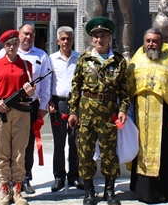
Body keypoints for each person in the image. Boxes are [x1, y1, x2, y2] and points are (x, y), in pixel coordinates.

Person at [68, 16, 130, 205]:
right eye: (95, 36)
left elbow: (125, 90)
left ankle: (110, 192)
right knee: (85, 153)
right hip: (86, 113)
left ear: (109, 37)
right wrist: (72, 111)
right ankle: (89, 192)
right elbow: (76, 87)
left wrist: (123, 109)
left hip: (109, 113)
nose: (99, 40)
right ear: (91, 39)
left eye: (102, 36)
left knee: (109, 153)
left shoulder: (118, 61)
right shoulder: (84, 60)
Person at [127, 28, 168, 204]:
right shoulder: (136, 60)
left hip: (164, 115)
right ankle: (141, 190)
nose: (151, 44)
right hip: (140, 114)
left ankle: (163, 192)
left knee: (164, 150)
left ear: (162, 42)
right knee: (141, 148)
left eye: (155, 41)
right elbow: (128, 86)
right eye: (148, 40)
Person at [0, 30, 36, 205]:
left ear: (19, 45)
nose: (12, 47)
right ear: (4, 46)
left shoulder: (26, 65)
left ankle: (17, 190)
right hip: (2, 112)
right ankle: (5, 189)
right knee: (2, 152)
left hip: (21, 113)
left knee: (19, 152)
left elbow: (31, 91)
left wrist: (31, 92)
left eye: (14, 44)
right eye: (8, 45)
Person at [0, 24, 52, 194]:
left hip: (30, 105)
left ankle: (25, 178)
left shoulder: (41, 55)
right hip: (7, 104)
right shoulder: (3, 53)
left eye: (32, 34)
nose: (28, 37)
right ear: (19, 34)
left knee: (27, 144)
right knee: (7, 143)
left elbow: (46, 84)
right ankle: (8, 180)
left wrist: (43, 107)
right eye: (25, 34)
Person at [48, 26, 85, 192]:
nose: (65, 42)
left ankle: (74, 176)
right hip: (58, 104)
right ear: (57, 41)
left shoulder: (80, 58)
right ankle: (59, 176)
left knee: (75, 142)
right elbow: (47, 83)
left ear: (73, 40)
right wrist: (48, 100)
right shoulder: (51, 59)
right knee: (59, 142)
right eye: (62, 39)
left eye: (68, 38)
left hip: (76, 104)